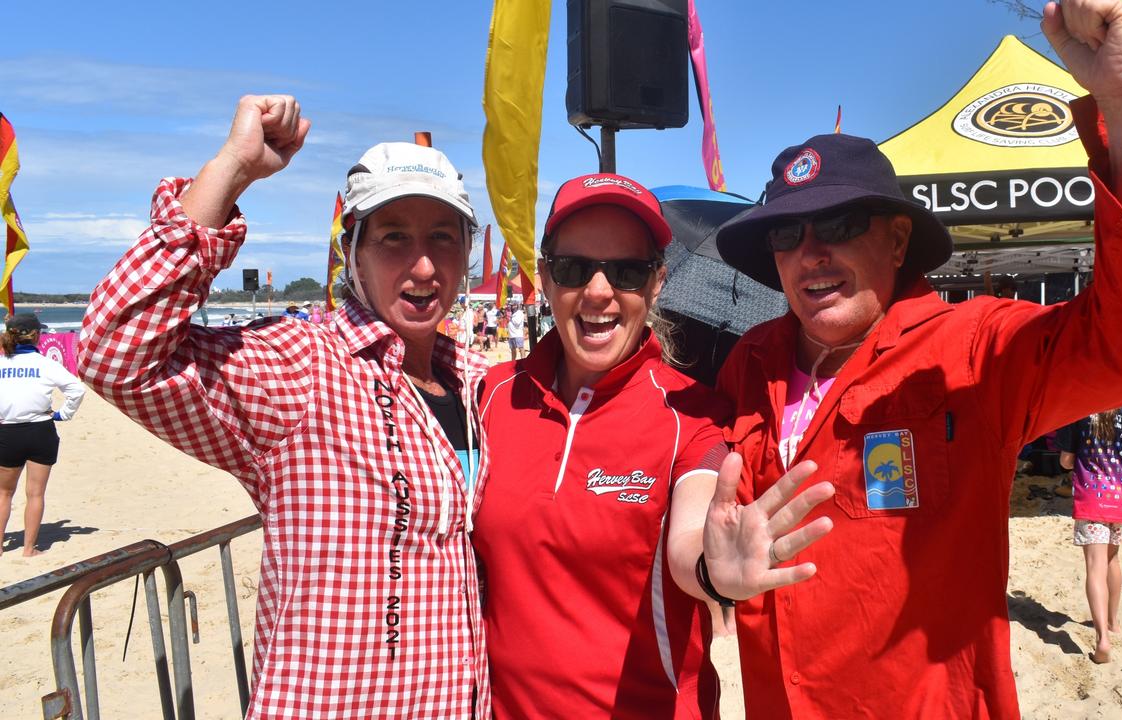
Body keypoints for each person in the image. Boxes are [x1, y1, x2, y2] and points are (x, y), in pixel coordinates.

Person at [708, 1, 1122, 717]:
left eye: (840, 223)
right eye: (787, 233)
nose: (810, 251)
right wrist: (710, 574)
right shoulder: (748, 366)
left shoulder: (974, 349)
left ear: (895, 241)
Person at [79, 95, 491, 718]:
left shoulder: (477, 382)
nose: (425, 265)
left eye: (442, 237)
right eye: (394, 239)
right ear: (351, 253)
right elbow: (115, 352)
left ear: (467, 250)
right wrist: (233, 168)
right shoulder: (301, 366)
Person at [474, 173, 833, 718]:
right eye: (574, 269)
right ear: (544, 278)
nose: (598, 291)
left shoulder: (691, 412)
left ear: (657, 282)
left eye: (626, 272)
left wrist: (713, 571)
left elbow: (690, 536)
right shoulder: (491, 395)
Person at [1057, 406, 1122, 664]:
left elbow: (1065, 461)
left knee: (1094, 566)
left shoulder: (1077, 411)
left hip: (1092, 497)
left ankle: (1102, 639)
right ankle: (1113, 622)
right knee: (1112, 560)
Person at [0, 314, 84, 558]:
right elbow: (76, 389)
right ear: (36, 335)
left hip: (8, 432)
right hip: (40, 430)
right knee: (35, 493)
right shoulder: (46, 364)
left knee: (4, 493)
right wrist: (62, 415)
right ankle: (29, 549)